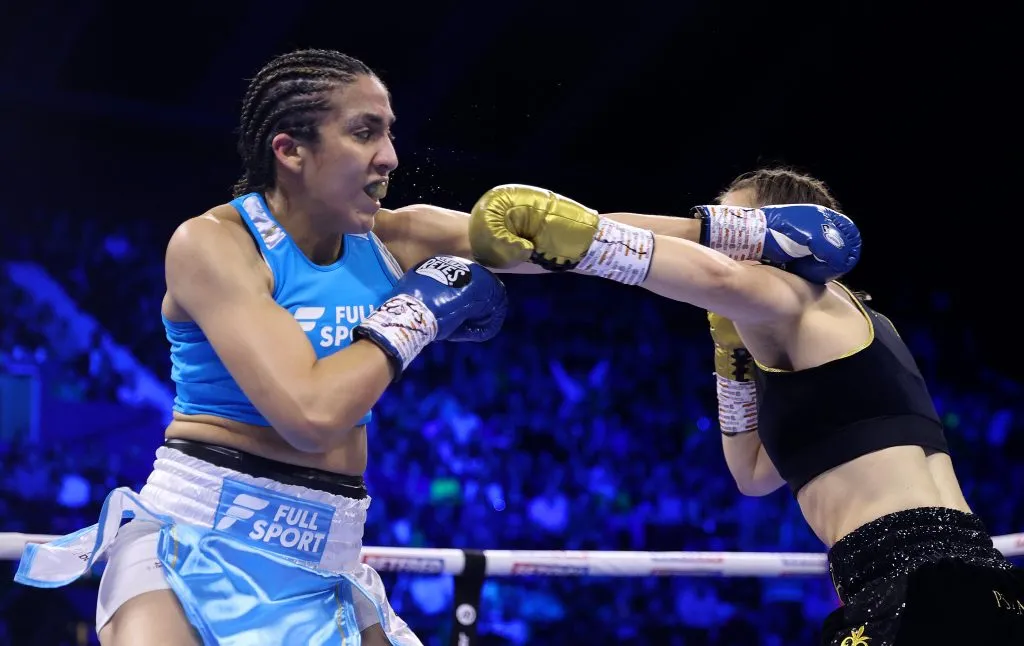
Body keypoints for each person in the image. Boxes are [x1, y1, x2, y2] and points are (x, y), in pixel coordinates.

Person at [11, 49, 854, 645]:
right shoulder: (214, 246)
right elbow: (309, 412)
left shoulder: (398, 235)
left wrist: (744, 233)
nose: (391, 157)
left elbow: (568, 236)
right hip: (196, 540)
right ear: (291, 150)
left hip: (326, 555)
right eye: (365, 133)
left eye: (389, 132)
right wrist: (417, 313)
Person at [467, 169, 1024, 645]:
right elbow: (752, 474)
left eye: (732, 230)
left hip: (918, 582)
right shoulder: (830, 344)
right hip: (953, 582)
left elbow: (712, 270)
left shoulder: (801, 297)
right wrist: (729, 355)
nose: (711, 248)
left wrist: (565, 227)